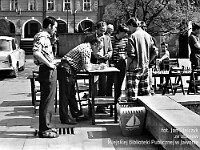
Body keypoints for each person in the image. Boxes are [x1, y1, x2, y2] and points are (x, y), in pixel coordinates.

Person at [57, 37, 102, 124]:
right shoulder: (86, 49)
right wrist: (98, 66)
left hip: (68, 69)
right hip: (66, 69)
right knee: (65, 95)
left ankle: (77, 114)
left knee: (71, 94)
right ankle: (64, 118)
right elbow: (87, 67)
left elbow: (86, 64)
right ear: (95, 44)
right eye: (99, 48)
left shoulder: (85, 47)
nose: (98, 51)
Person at [32, 16, 58, 138]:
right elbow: (36, 52)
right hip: (47, 71)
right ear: (49, 26)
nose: (55, 30)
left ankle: (47, 126)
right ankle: (44, 130)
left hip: (49, 70)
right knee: (47, 101)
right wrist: (49, 64)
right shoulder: (42, 36)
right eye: (55, 27)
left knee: (48, 101)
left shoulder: (46, 37)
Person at [84, 21, 113, 113]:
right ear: (96, 29)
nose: (102, 33)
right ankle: (92, 107)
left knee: (103, 86)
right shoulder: (89, 37)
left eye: (104, 31)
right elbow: (85, 49)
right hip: (93, 64)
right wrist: (93, 54)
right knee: (93, 86)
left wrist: (108, 55)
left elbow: (110, 50)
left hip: (103, 64)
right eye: (101, 31)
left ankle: (101, 107)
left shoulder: (107, 38)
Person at [126, 17, 156, 101]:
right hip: (145, 68)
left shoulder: (132, 36)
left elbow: (131, 55)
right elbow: (155, 52)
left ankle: (132, 113)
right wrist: (147, 61)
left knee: (132, 97)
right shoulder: (148, 35)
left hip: (134, 68)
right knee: (145, 97)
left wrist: (127, 67)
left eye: (129, 27)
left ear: (131, 25)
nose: (129, 30)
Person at [106, 23, 129, 100]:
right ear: (119, 31)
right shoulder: (111, 39)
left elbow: (128, 52)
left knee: (119, 83)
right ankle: (108, 100)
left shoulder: (126, 40)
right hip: (112, 63)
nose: (125, 34)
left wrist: (124, 56)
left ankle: (117, 100)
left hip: (121, 63)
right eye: (124, 32)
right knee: (109, 82)